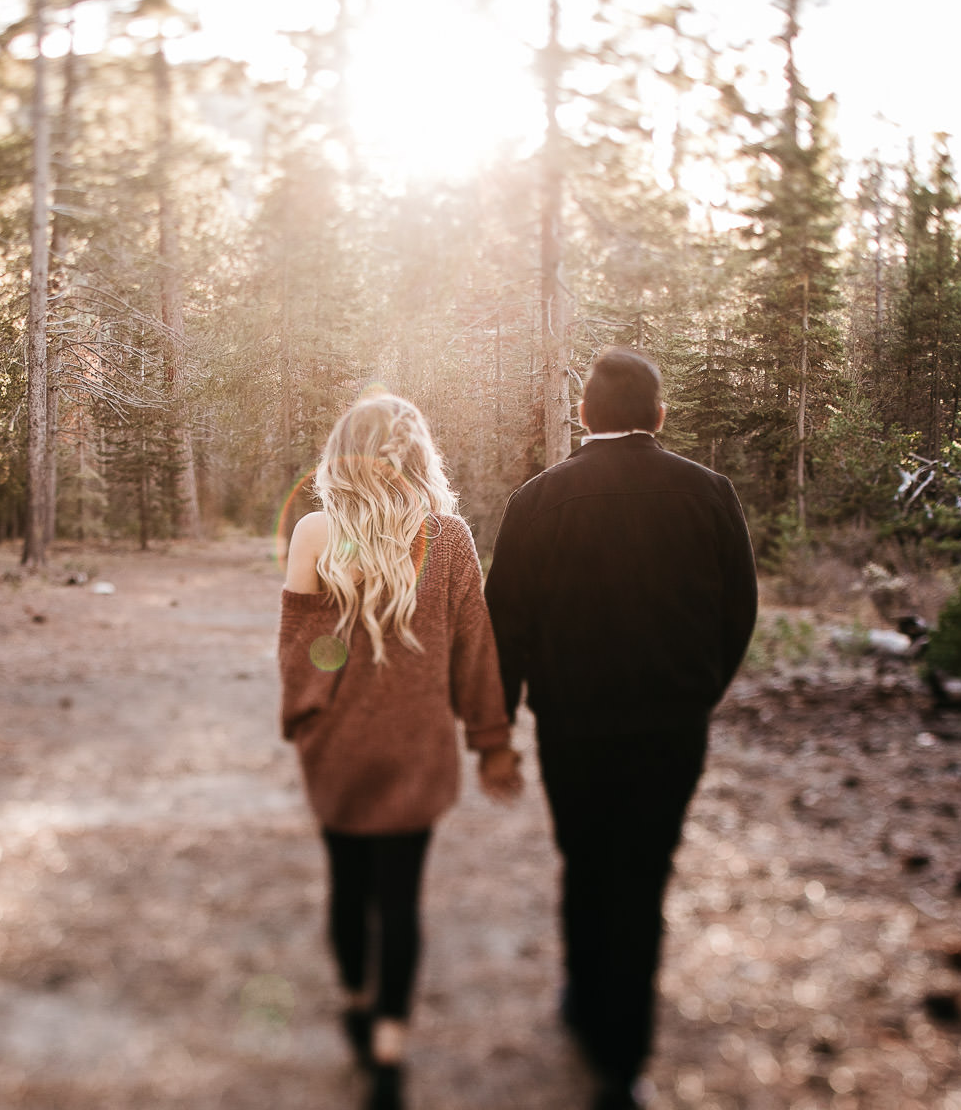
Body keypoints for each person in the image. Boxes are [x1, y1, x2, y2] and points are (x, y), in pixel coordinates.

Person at [484, 347, 757, 1110]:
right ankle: (621, 1059)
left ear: (584, 416)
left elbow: (502, 626)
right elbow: (740, 613)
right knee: (642, 876)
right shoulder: (709, 494)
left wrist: (498, 726)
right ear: (659, 416)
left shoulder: (537, 501)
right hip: (671, 728)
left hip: (573, 725)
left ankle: (584, 993)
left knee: (585, 857)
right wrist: (700, 691)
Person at [279, 393, 523, 1110]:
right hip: (418, 746)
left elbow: (302, 652)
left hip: (339, 746)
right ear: (418, 454)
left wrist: (305, 719)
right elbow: (477, 655)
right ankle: (389, 1048)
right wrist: (490, 742)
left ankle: (356, 1000)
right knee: (402, 900)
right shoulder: (447, 536)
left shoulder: (315, 533)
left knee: (347, 885)